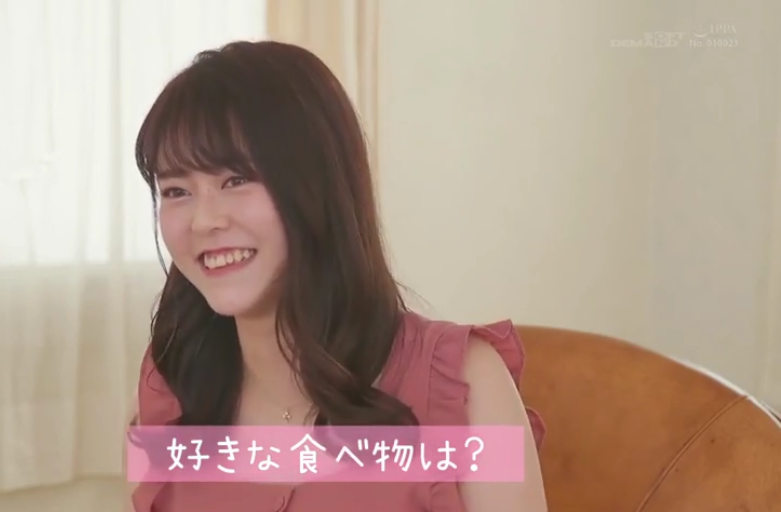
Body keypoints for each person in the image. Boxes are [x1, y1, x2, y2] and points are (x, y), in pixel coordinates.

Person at [129, 40, 547, 511]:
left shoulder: (469, 385)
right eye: (176, 191)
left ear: (320, 183)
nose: (204, 221)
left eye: (237, 180)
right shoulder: (170, 384)